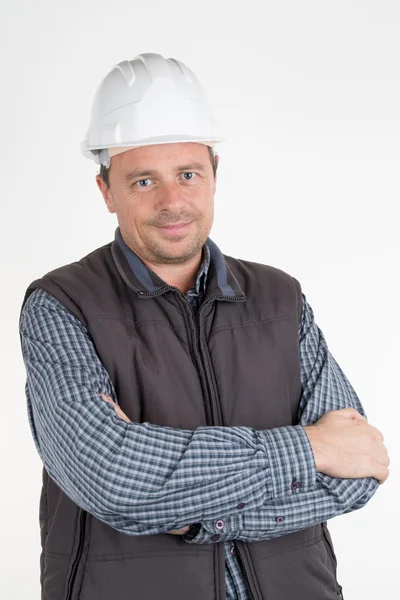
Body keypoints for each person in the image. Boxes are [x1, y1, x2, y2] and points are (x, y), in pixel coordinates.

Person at [19, 52, 389, 600]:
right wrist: (309, 448)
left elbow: (358, 468)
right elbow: (117, 481)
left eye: (188, 174)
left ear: (214, 176)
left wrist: (198, 517)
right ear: (107, 192)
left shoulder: (280, 297)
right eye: (143, 180)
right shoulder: (61, 305)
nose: (173, 202)